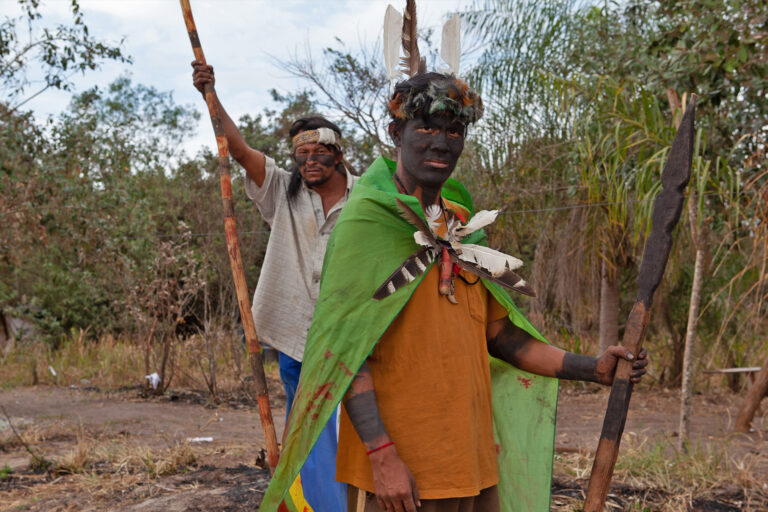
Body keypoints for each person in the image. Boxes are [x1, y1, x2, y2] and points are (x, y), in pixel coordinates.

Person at [260, 73, 647, 512]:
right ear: (396, 133)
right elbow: (346, 351)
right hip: (402, 477)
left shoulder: (458, 229)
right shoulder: (364, 225)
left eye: (454, 130)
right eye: (425, 127)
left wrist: (594, 368)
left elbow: (503, 339)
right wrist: (381, 456)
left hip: (472, 467)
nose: (440, 142)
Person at [192, 60, 354, 511]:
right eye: (301, 156)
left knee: (359, 422)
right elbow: (238, 148)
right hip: (295, 334)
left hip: (349, 334)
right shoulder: (284, 190)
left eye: (319, 154)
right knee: (309, 426)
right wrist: (210, 94)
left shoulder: (365, 198)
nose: (309, 163)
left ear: (338, 154)